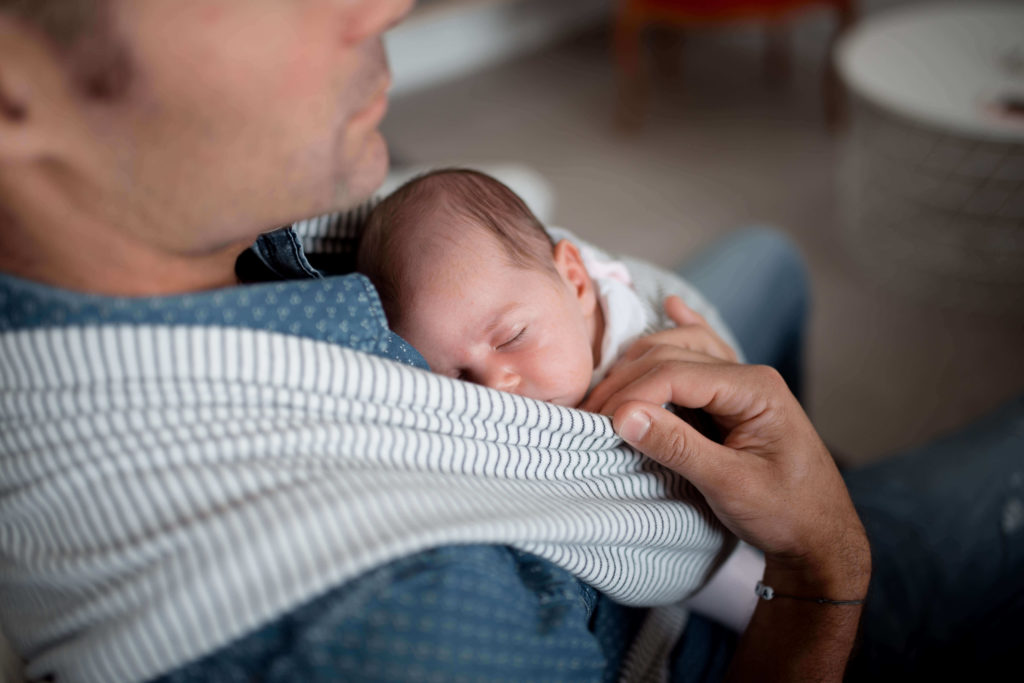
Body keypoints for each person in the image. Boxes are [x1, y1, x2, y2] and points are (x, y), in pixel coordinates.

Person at [0, 3, 1020, 683]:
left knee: (766, 255)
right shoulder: (402, 631)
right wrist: (821, 560)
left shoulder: (177, 257)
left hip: (674, 426)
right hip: (746, 613)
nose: (388, 5)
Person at [355, 168, 741, 407]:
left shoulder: (660, 325)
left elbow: (741, 390)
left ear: (575, 280)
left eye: (512, 337)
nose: (495, 388)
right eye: (457, 376)